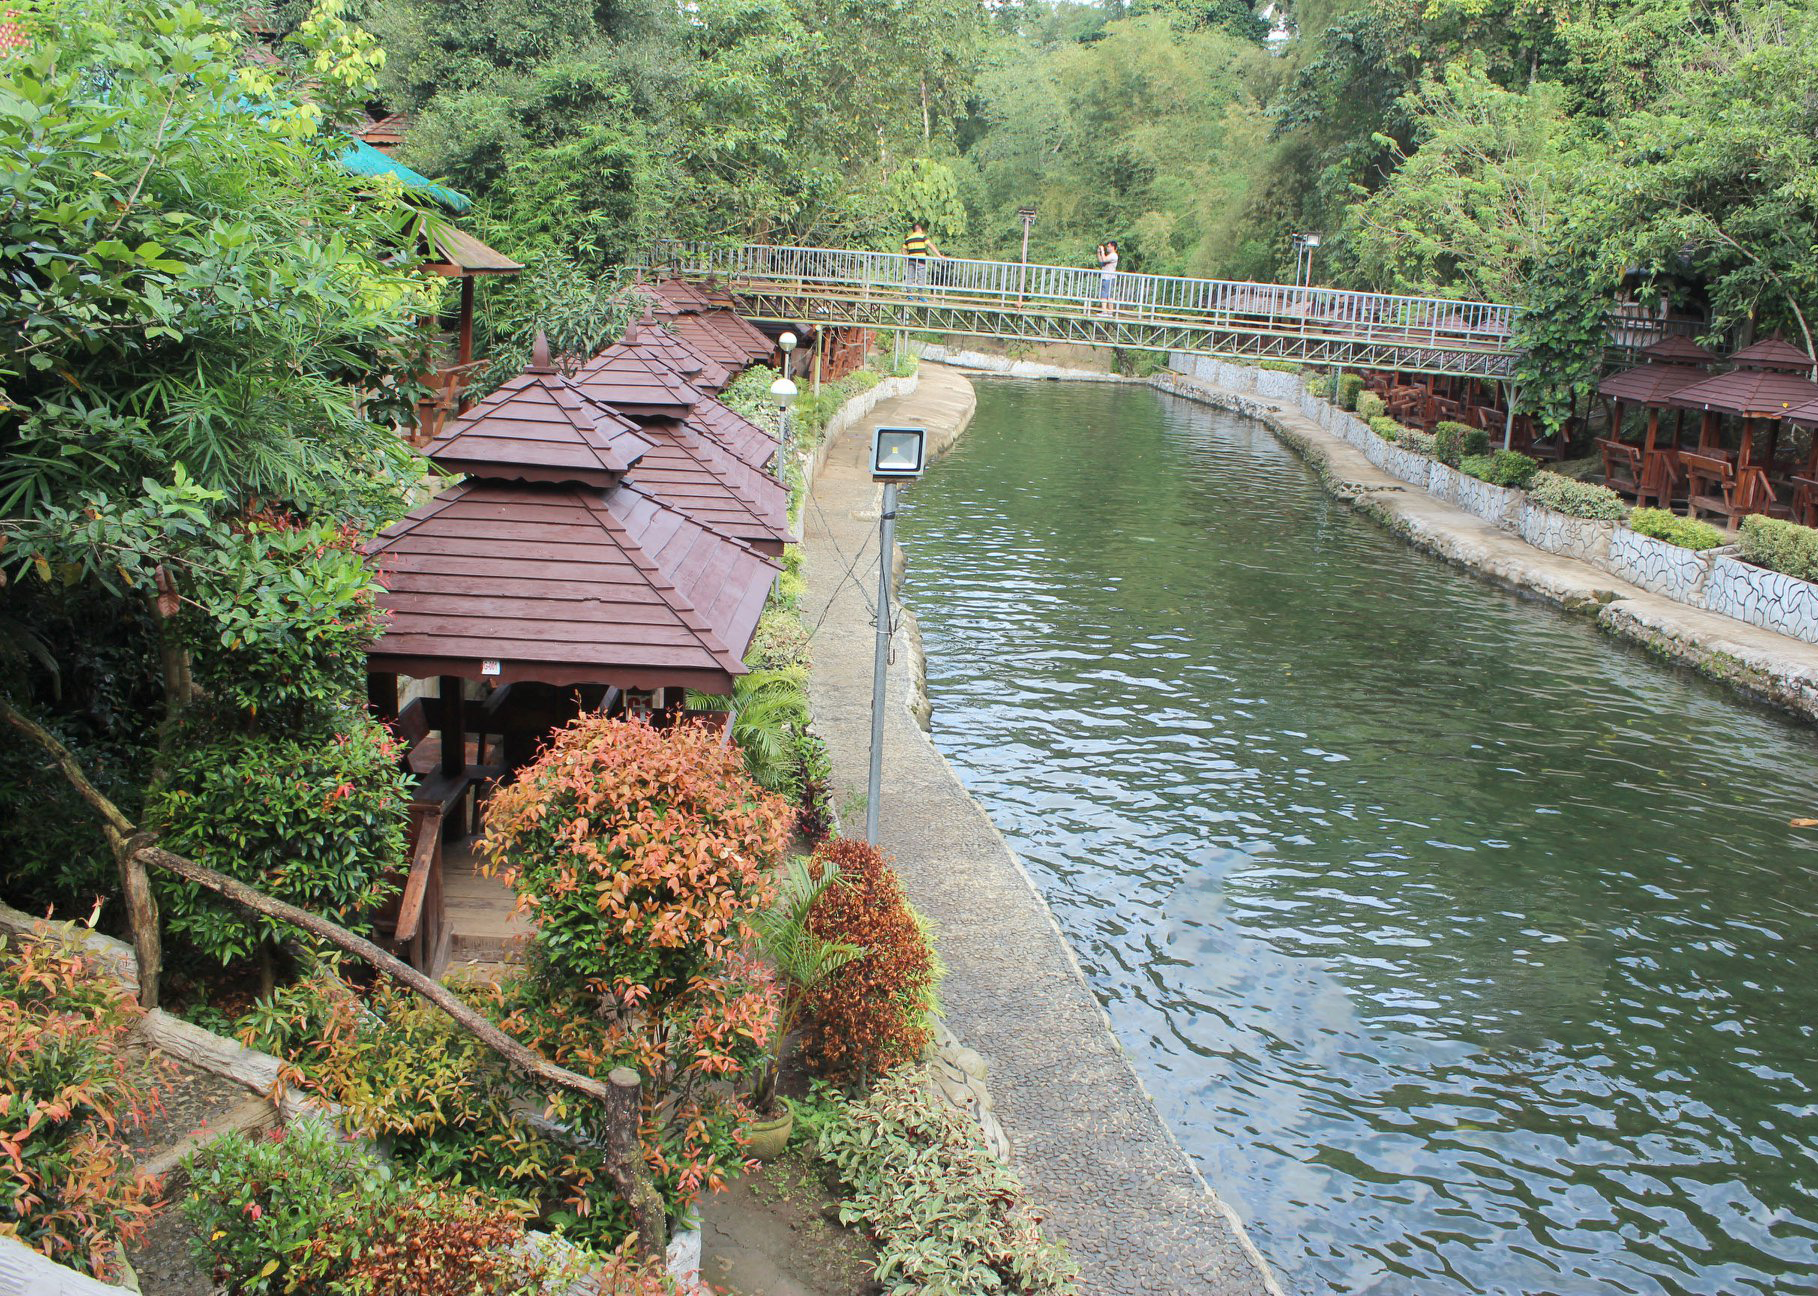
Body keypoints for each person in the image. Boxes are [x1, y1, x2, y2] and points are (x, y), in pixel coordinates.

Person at [904, 220, 940, 298]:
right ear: (919, 229)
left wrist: (906, 257)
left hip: (911, 260)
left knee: (910, 277)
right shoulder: (923, 236)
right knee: (921, 277)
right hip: (920, 260)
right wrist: (939, 255)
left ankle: (909, 294)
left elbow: (903, 249)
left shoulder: (908, 238)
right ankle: (920, 295)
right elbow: (931, 246)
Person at [1097, 240, 1119, 308]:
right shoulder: (1110, 255)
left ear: (1113, 247)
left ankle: (1106, 312)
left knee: (1106, 294)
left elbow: (1104, 259)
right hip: (1106, 277)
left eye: (1109, 246)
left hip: (1109, 277)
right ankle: (1108, 312)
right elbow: (1101, 261)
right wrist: (1099, 252)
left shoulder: (1114, 255)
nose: (1107, 248)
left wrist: (1103, 251)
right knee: (1107, 294)